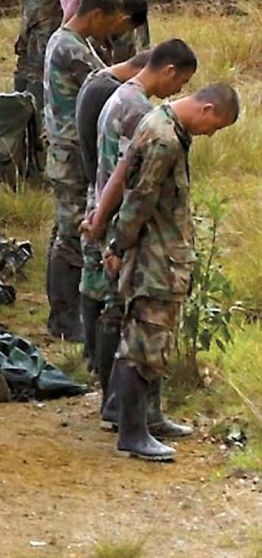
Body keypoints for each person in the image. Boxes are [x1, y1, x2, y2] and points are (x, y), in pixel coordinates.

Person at [98, 84, 239, 460]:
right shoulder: (164, 139)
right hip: (154, 259)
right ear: (207, 109)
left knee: (157, 339)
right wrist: (117, 246)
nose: (211, 133)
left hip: (164, 256)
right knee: (143, 342)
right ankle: (132, 432)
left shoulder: (165, 125)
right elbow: (139, 199)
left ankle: (150, 416)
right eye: (216, 126)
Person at [80, 40, 197, 418]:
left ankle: (119, 406)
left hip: (106, 213)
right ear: (168, 71)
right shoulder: (137, 111)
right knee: (125, 316)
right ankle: (118, 408)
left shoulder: (118, 97)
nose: (179, 91)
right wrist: (110, 234)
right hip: (121, 223)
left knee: (116, 311)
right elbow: (131, 181)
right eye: (181, 81)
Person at [42, 0, 123, 339]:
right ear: (94, 15)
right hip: (72, 155)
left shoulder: (69, 41)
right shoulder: (72, 50)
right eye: (110, 22)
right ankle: (64, 319)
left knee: (66, 230)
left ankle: (64, 314)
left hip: (67, 152)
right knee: (71, 235)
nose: (111, 31)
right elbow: (109, 85)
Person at [73, 49, 151, 361]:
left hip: (97, 194)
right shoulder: (127, 104)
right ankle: (102, 369)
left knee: (92, 281)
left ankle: (91, 357)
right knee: (111, 297)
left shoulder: (100, 88)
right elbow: (125, 172)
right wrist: (105, 219)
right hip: (107, 203)